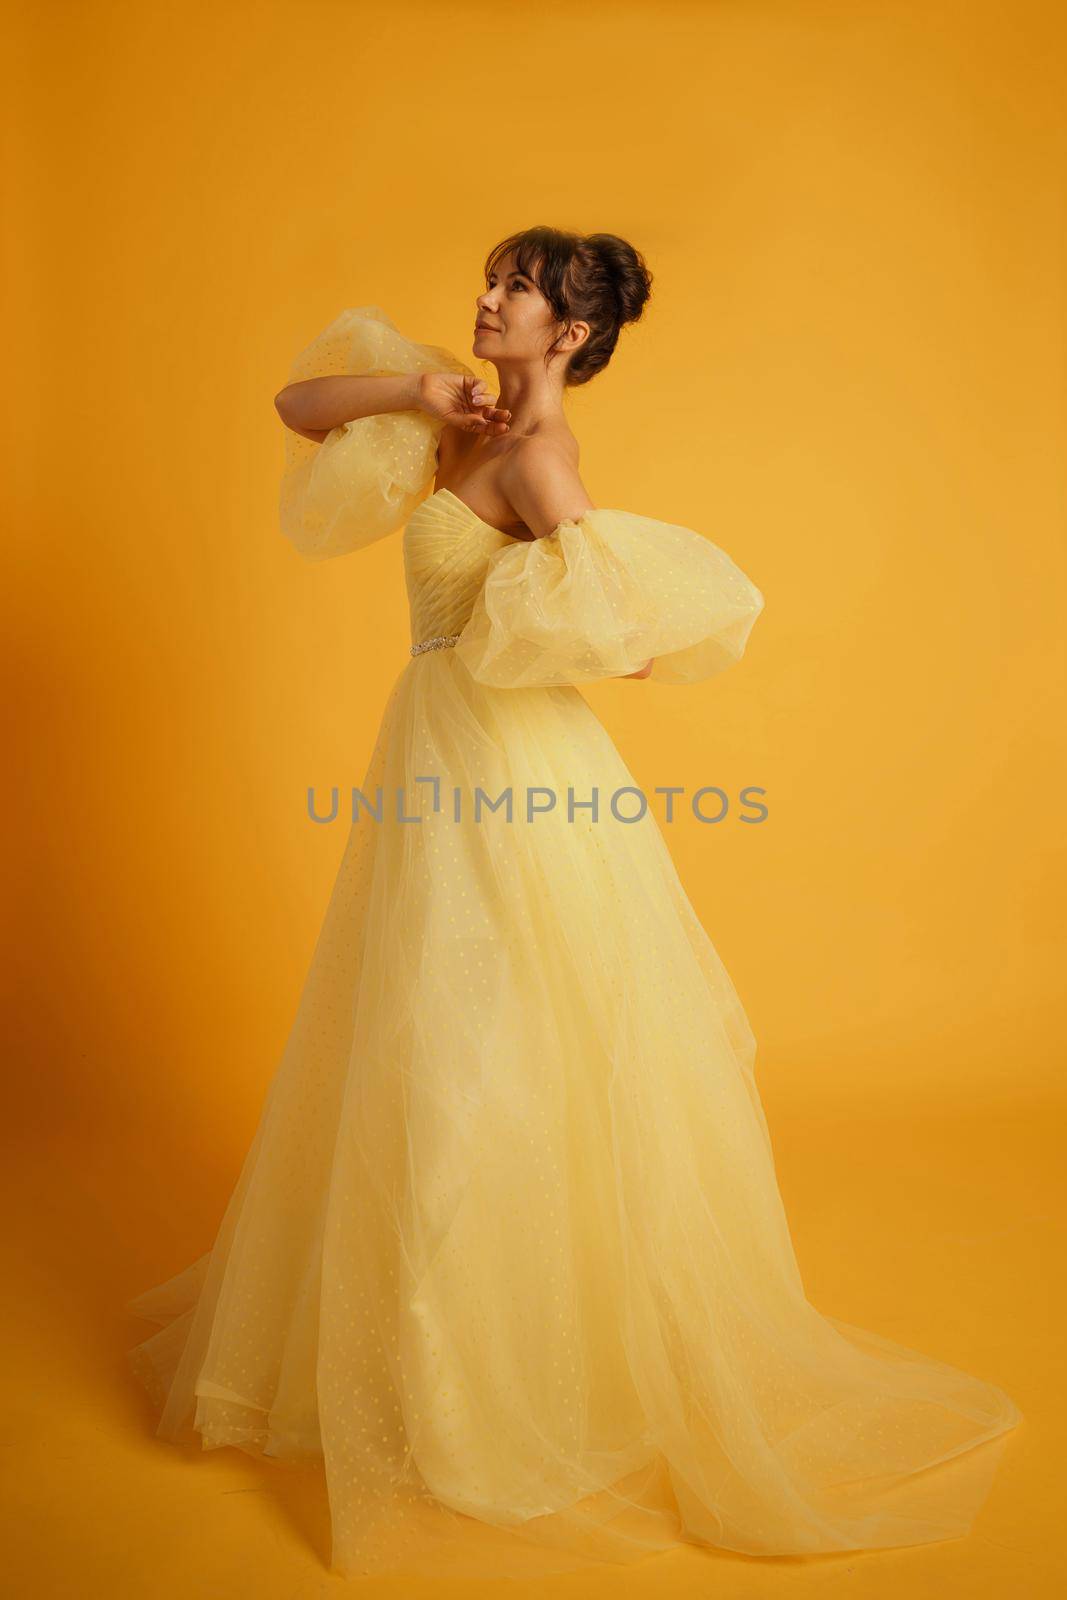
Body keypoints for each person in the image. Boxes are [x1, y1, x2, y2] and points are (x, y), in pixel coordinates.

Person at [125, 226, 1022, 1581]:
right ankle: (438, 1374)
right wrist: (415, 396)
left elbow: (623, 625)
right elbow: (297, 407)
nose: (485, 301)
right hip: (435, 753)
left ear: (573, 336)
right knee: (427, 1053)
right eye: (490, 280)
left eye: (518, 294)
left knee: (488, 1062)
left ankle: (490, 1394)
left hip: (509, 773)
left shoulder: (543, 463)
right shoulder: (461, 414)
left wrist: (576, 627)